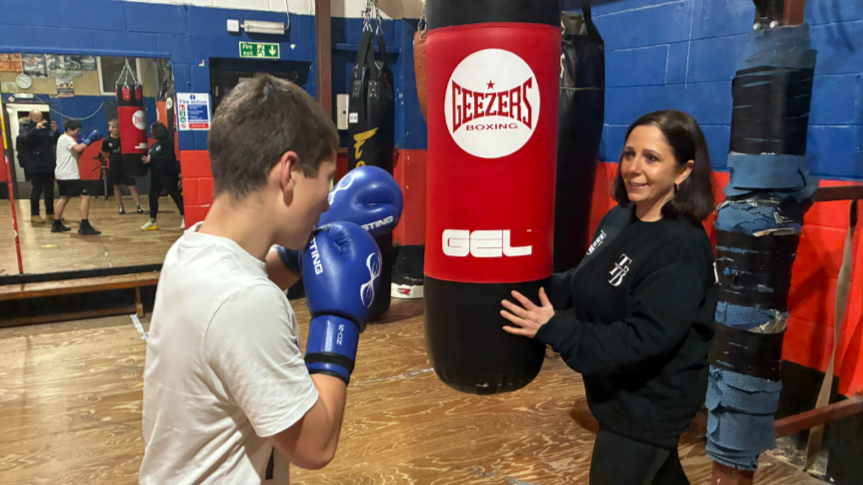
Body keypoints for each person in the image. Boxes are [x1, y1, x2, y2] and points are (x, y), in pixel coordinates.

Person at [138, 75, 402, 484]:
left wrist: (300, 252)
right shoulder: (248, 301)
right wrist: (338, 322)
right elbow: (315, 445)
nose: (328, 201)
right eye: (328, 180)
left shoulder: (190, 250)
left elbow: (236, 302)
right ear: (289, 172)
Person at [500, 110, 717, 485]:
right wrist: (525, 286)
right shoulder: (621, 218)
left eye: (651, 158)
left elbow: (643, 339)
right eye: (629, 154)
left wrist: (557, 330)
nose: (633, 168)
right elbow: (585, 278)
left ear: (683, 171)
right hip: (615, 392)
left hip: (651, 405)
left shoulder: (680, 248)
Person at [52, 120, 103, 235]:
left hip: (62, 174)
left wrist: (83, 144)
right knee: (85, 196)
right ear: (69, 130)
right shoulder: (67, 139)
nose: (79, 133)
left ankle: (56, 223)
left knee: (64, 197)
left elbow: (76, 155)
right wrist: (89, 140)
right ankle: (84, 225)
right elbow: (78, 149)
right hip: (69, 175)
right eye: (77, 131)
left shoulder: (61, 138)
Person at [16, 110, 59, 223]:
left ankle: (50, 212)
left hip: (48, 162)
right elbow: (24, 140)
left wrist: (54, 131)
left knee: (49, 189)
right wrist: (35, 129)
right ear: (30, 117)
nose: (39, 120)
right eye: (36, 118)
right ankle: (34, 214)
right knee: (37, 189)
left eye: (40, 118)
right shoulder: (25, 127)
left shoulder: (45, 127)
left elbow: (53, 141)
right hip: (34, 164)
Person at [139, 122, 183, 230]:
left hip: (168, 175)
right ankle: (152, 221)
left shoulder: (167, 144)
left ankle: (185, 218)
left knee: (176, 196)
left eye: (152, 129)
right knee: (152, 197)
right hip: (156, 176)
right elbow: (151, 158)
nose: (150, 131)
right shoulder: (154, 145)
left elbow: (168, 158)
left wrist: (152, 158)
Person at [100, 119, 146, 215]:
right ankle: (120, 207)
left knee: (132, 185)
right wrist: (113, 158)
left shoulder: (124, 138)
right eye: (113, 127)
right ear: (109, 128)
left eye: (117, 127)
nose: (115, 129)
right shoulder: (107, 140)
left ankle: (139, 206)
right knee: (116, 186)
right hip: (114, 166)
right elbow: (104, 153)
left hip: (126, 165)